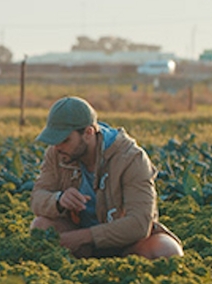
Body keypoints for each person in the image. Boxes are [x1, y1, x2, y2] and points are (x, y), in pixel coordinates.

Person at [30, 96, 183, 260]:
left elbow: (139, 223)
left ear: (88, 133)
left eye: (65, 140)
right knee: (40, 226)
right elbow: (37, 197)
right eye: (54, 140)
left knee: (165, 250)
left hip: (126, 243)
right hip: (82, 242)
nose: (57, 146)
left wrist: (83, 237)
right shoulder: (57, 154)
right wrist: (58, 200)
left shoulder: (131, 158)